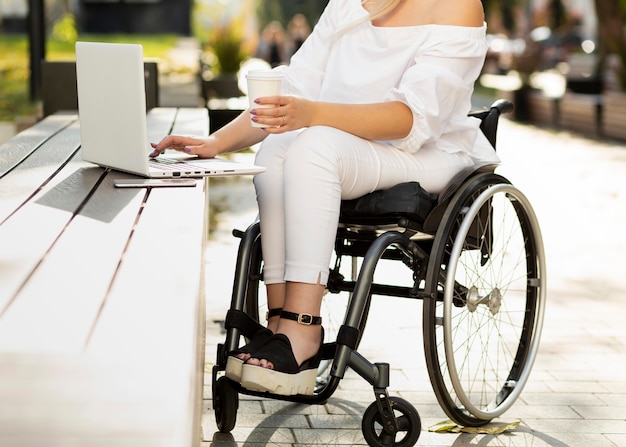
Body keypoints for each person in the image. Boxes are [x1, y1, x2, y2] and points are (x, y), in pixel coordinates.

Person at [150, 0, 500, 396]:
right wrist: (216, 142)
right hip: (351, 148)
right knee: (277, 151)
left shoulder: (457, 6)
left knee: (313, 145)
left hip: (429, 154)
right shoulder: (349, 4)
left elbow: (411, 118)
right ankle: (278, 322)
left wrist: (312, 114)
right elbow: (295, 89)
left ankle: (303, 328)